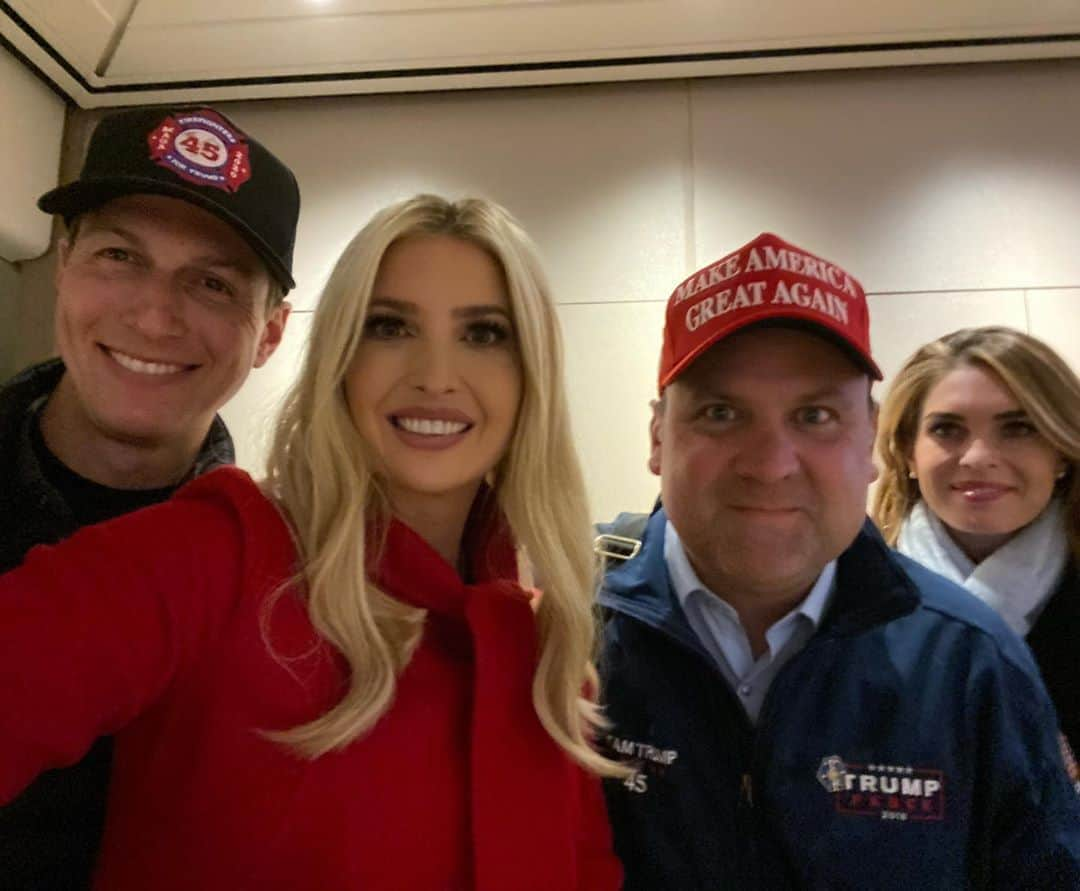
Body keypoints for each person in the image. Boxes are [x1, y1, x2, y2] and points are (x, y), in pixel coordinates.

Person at [0, 195, 622, 890]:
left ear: (531, 372)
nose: (436, 375)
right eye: (388, 326)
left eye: (484, 334)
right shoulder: (214, 553)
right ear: (340, 360)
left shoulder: (545, 648)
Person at [596, 233, 1080, 889]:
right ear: (658, 436)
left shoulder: (974, 662)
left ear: (871, 439)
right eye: (720, 412)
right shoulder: (569, 636)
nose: (770, 465)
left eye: (816, 414)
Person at [0, 105, 298, 888]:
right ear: (63, 263)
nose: (155, 313)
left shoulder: (290, 592)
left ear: (270, 332)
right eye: (119, 255)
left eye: (211, 281)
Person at [872, 326, 1080, 767]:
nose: (977, 457)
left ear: (1061, 451)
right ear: (908, 453)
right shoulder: (849, 598)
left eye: (1019, 428)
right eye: (947, 429)